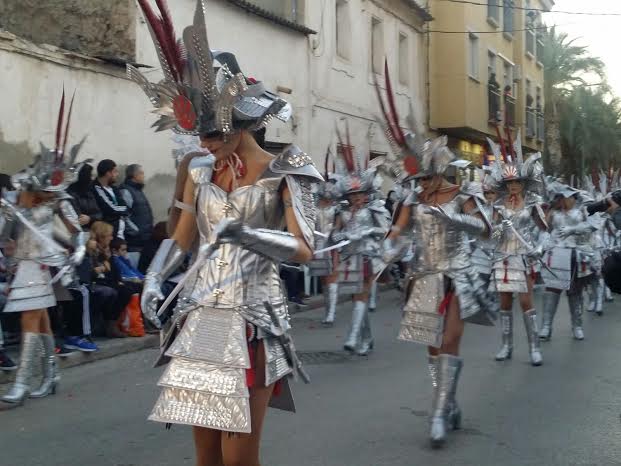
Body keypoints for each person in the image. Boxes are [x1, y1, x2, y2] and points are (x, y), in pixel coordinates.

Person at [128, 1, 321, 464]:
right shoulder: (200, 170)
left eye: (212, 136)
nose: (204, 146)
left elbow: (304, 248)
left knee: (238, 457)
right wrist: (154, 279)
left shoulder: (287, 170)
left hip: (254, 318)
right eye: (199, 137)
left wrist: (244, 234)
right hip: (201, 316)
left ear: (239, 123)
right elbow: (181, 239)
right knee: (206, 453)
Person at [377, 70, 494, 448]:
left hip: (458, 275)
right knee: (432, 347)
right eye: (418, 181)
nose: (421, 186)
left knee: (451, 341)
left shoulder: (464, 194)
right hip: (425, 275)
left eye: (426, 180)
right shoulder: (414, 200)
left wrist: (453, 216)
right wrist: (386, 248)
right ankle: (449, 400)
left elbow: (485, 228)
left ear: (439, 172)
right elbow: (398, 230)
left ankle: (438, 413)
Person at [0, 91, 88, 405]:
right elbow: (6, 234)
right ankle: (51, 373)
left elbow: (77, 233)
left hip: (45, 266)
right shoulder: (20, 196)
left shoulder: (60, 201)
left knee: (30, 318)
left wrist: (77, 251)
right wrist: (13, 215)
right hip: (21, 264)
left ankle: (22, 383)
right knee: (40, 320)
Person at [486, 135, 547, 365]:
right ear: (505, 184)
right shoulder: (498, 206)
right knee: (504, 303)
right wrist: (499, 226)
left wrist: (539, 248)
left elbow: (546, 230)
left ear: (523, 183)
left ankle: (534, 347)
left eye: (517, 182)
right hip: (502, 257)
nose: (513, 186)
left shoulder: (532, 204)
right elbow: (493, 235)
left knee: (525, 302)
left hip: (523, 257)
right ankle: (506, 345)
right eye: (509, 183)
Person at [330, 141, 390, 353]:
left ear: (366, 194)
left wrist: (366, 232)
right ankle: (367, 339)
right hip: (349, 257)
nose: (356, 197)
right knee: (357, 296)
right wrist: (341, 236)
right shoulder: (342, 212)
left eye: (359, 194)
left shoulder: (374, 209)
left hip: (367, 256)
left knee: (362, 294)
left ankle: (353, 337)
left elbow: (385, 230)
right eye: (352, 195)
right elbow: (334, 234)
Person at [540, 181, 597, 341]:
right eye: (561, 197)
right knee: (552, 291)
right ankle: (546, 326)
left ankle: (577, 326)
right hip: (556, 254)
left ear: (573, 198)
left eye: (566, 197)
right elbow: (544, 229)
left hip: (575, 255)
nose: (563, 200)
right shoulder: (553, 213)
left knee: (575, 293)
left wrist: (574, 229)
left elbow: (592, 227)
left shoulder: (582, 212)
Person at [89, 222, 129, 338]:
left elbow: (112, 269)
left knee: (127, 289)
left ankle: (112, 323)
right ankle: (108, 325)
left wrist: (118, 279)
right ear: (101, 236)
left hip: (107, 280)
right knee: (115, 292)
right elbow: (93, 270)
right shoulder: (92, 249)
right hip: (96, 281)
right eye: (109, 235)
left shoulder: (107, 250)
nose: (111, 238)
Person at [120, 164, 154, 268]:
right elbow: (123, 215)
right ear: (134, 175)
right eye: (142, 173)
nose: (144, 176)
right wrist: (136, 231)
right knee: (134, 275)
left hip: (143, 242)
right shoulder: (126, 191)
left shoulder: (138, 191)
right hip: (133, 244)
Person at [92, 159, 129, 238]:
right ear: (108, 173)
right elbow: (111, 208)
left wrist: (122, 209)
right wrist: (122, 210)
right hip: (107, 236)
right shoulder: (96, 188)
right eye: (115, 171)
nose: (117, 174)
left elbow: (126, 206)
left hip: (120, 235)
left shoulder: (114, 189)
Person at [67, 163, 102, 229]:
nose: (92, 179)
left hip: (92, 228)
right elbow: (79, 218)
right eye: (90, 176)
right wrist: (92, 218)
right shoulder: (70, 194)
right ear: (83, 176)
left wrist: (90, 218)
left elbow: (99, 214)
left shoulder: (89, 192)